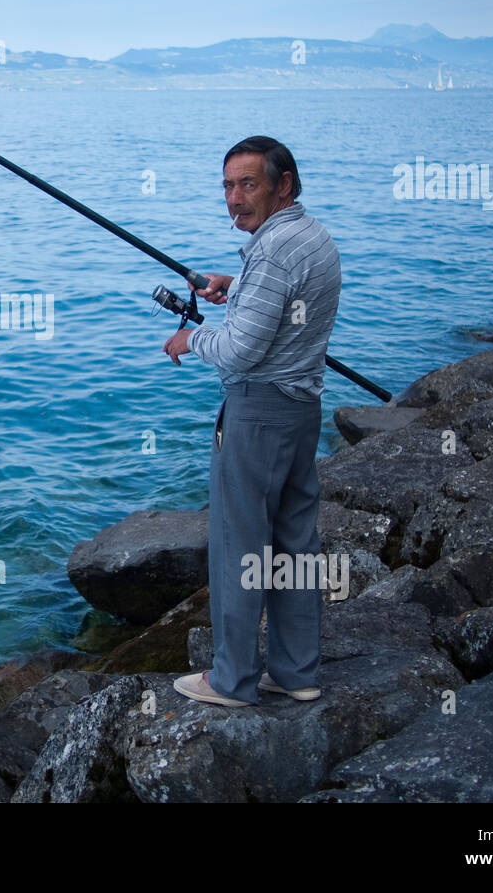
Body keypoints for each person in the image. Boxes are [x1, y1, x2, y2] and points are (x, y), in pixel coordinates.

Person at [162, 136, 340, 706]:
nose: (234, 199)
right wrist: (234, 288)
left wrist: (191, 339)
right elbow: (285, 300)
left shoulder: (271, 250)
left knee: (241, 544)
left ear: (283, 184)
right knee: (294, 544)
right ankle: (297, 672)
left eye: (248, 184)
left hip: (258, 414)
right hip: (301, 411)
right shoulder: (311, 236)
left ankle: (232, 679)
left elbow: (238, 352)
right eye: (228, 186)